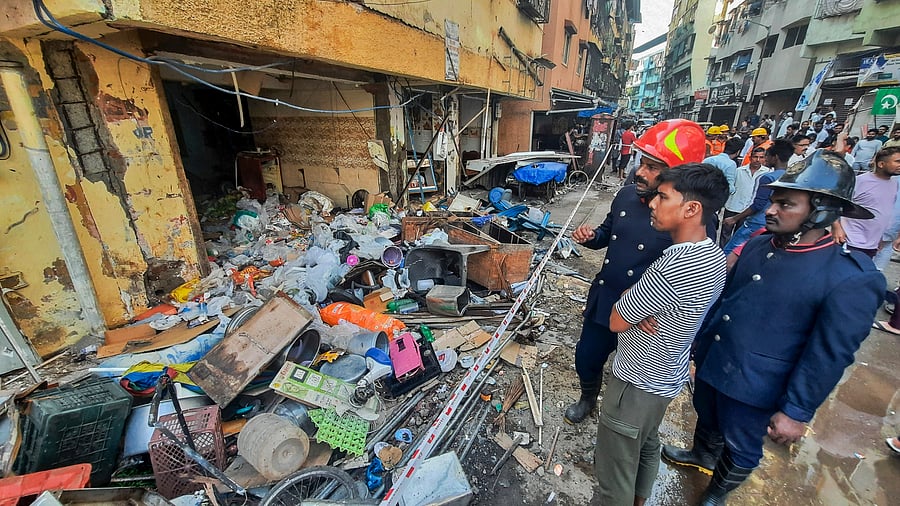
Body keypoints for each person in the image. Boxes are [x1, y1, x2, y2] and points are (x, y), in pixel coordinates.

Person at [662, 150, 885, 505]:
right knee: (708, 415)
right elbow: (726, 301)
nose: (770, 210)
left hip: (758, 385)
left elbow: (827, 355)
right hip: (717, 361)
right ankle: (702, 454)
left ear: (821, 211)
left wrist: (796, 411)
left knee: (741, 444)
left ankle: (717, 492)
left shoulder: (849, 277)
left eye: (786, 204)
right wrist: (698, 345)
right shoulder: (759, 245)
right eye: (773, 201)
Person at [594, 164, 729, 506]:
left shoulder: (675, 264)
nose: (653, 203)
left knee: (614, 474)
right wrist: (639, 310)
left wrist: (631, 303)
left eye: (663, 197)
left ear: (691, 208)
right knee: (646, 445)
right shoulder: (713, 254)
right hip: (666, 377)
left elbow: (616, 320)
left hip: (636, 382)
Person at [565, 119, 707, 425]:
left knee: (630, 380)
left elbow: (690, 276)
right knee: (587, 356)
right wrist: (592, 237)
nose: (641, 172)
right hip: (608, 299)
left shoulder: (686, 217)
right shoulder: (626, 195)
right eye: (642, 163)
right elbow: (608, 233)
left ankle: (621, 422)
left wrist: (656, 309)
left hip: (647, 317)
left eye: (653, 167)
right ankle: (588, 398)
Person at [723, 140, 793, 254]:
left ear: (775, 157)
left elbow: (758, 205)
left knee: (730, 251)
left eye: (767, 156)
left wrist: (734, 218)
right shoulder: (791, 177)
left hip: (757, 223)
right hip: (776, 224)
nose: (765, 159)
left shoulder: (768, 178)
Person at [831, 147, 900, 257]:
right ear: (881, 164)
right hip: (850, 240)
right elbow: (834, 203)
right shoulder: (859, 181)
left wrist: (880, 237)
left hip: (872, 244)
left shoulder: (894, 184)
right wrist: (836, 227)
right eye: (897, 161)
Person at [720, 146, 771, 247]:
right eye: (755, 157)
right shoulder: (739, 171)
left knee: (739, 237)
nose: (758, 160)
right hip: (732, 207)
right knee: (725, 235)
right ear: (750, 157)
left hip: (748, 210)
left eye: (761, 157)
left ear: (765, 159)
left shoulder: (767, 173)